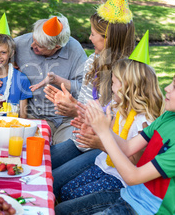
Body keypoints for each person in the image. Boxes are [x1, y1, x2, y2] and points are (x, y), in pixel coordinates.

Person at [44, 0, 136, 199]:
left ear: (108, 38)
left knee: (52, 184)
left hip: (98, 146)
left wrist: (74, 109)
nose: (90, 36)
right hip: (80, 138)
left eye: (94, 33)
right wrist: (68, 99)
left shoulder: (120, 77)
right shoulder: (94, 59)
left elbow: (106, 122)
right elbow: (85, 101)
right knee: (40, 165)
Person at [55, 58, 164, 214]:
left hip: (120, 180)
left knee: (70, 197)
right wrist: (93, 129)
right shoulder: (119, 107)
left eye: (113, 83)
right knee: (65, 190)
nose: (111, 88)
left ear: (127, 87)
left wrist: (101, 141)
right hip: (103, 165)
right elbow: (111, 134)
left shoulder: (143, 123)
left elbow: (135, 162)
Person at [0, 14, 87, 144]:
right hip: (32, 115)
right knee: (33, 146)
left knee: (66, 148)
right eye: (33, 39)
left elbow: (85, 88)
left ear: (56, 47)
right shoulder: (22, 42)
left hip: (64, 119)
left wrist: (57, 80)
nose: (32, 45)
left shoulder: (75, 51)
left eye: (39, 46)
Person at [74, 73, 175, 215]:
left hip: (148, 210)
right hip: (130, 196)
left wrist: (103, 133)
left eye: (174, 86)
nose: (167, 88)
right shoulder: (168, 117)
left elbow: (133, 177)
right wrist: (99, 126)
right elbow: (128, 148)